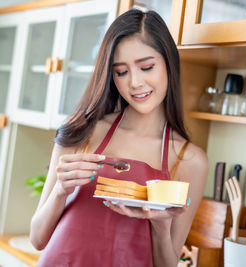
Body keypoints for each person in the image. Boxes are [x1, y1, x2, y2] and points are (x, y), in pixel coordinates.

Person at [30, 8, 208, 267]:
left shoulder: (190, 160)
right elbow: (37, 239)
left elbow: (166, 264)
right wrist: (61, 190)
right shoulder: (82, 132)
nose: (135, 82)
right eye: (121, 72)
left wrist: (160, 225)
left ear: (169, 63)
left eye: (146, 67)